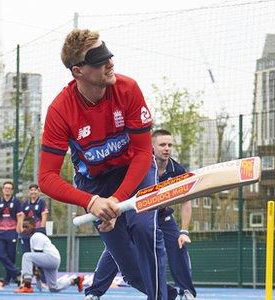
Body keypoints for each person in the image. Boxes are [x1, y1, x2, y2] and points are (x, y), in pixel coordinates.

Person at [38, 28, 167, 300]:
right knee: (131, 272)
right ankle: (173, 296)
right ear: (78, 71)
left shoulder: (128, 89)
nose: (109, 62)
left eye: (107, 53)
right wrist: (92, 202)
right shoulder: (60, 110)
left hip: (134, 171)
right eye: (98, 59)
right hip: (94, 184)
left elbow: (144, 153)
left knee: (145, 231)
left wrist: (117, 202)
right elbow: (47, 178)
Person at [85, 129, 197, 300]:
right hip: (136, 216)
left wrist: (184, 231)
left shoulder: (177, 170)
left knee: (178, 244)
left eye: (169, 145)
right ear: (152, 147)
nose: (166, 148)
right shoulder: (137, 166)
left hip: (162, 217)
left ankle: (186, 292)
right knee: (115, 249)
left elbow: (186, 200)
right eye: (162, 145)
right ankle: (94, 292)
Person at [14, 218, 84, 293]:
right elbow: (37, 259)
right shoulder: (33, 238)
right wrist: (36, 271)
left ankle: (27, 286)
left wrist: (36, 271)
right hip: (52, 260)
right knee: (54, 288)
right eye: (23, 227)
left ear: (33, 226)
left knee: (26, 256)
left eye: (27, 227)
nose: (24, 229)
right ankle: (76, 280)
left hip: (51, 258)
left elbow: (38, 255)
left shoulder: (36, 236)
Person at [0, 181, 24, 286]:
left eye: (9, 188)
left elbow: (20, 217)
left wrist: (19, 230)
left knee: (11, 256)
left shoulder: (17, 202)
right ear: (2, 189)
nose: (7, 189)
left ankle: (7, 279)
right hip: (0, 232)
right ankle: (17, 273)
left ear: (12, 190)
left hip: (12, 232)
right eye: (5, 188)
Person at [20, 184, 49, 253]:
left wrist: (42, 229)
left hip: (38, 229)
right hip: (27, 231)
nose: (33, 192)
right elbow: (21, 217)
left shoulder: (42, 202)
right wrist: (21, 228)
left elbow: (44, 216)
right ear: (29, 192)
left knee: (38, 251)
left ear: (38, 191)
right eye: (31, 190)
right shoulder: (25, 203)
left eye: (35, 190)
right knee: (26, 251)